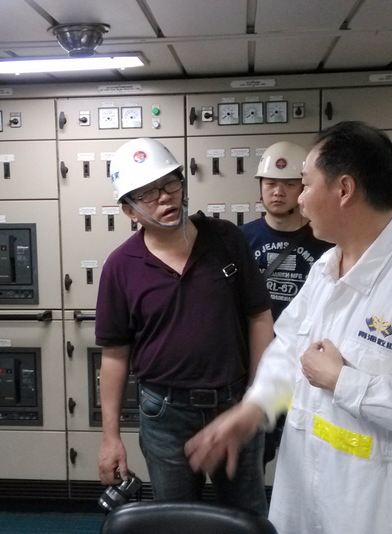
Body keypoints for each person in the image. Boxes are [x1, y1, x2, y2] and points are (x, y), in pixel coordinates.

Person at [184, 121, 392, 533]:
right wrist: (254, 408)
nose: (300, 198)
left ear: (344, 190)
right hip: (306, 494)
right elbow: (289, 347)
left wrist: (345, 382)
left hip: (379, 508)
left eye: (306, 184)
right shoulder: (327, 267)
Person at [95, 138, 274, 514]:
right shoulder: (120, 266)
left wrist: (256, 396)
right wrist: (111, 437)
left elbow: (259, 317)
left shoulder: (226, 239)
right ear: (128, 210)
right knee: (175, 519)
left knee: (247, 516)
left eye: (170, 183)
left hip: (233, 403)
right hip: (165, 415)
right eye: (147, 194)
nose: (164, 197)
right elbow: (114, 355)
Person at [240, 141, 333, 468]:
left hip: (307, 367)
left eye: (289, 184)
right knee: (255, 458)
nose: (277, 192)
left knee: (305, 459)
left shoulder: (325, 242)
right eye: (270, 183)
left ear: (303, 188)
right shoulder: (240, 239)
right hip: (256, 366)